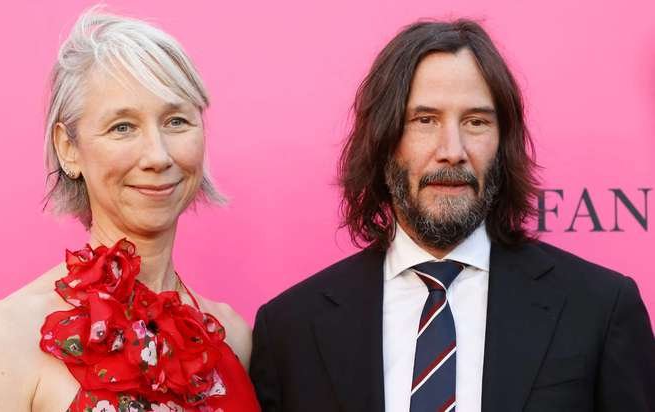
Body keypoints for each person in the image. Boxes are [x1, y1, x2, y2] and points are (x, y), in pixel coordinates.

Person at [249, 19, 655, 412]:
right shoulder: (290, 329)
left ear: (503, 144)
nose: (452, 150)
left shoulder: (600, 308)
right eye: (425, 120)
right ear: (383, 139)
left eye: (476, 122)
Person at [0, 8, 260, 412]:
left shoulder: (234, 337)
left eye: (176, 121)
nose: (158, 156)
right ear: (68, 148)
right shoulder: (3, 340)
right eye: (122, 127)